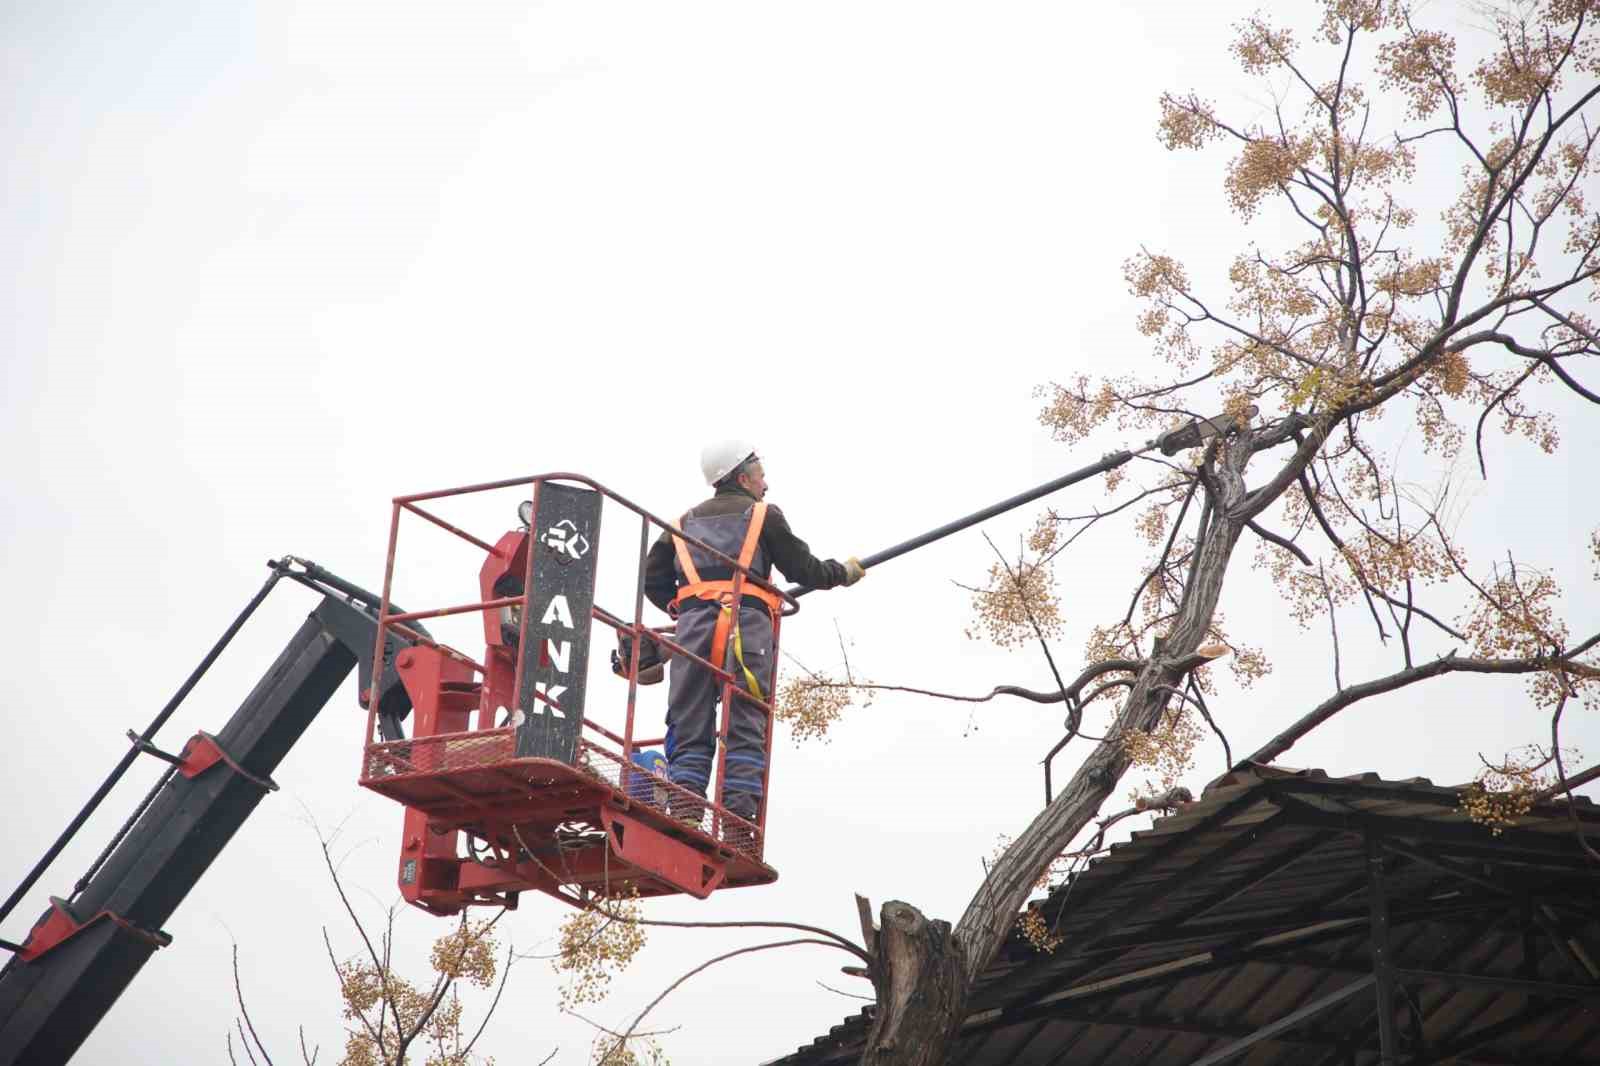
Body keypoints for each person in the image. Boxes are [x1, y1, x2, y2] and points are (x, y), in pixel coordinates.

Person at [643, 441, 864, 827]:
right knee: (744, 720)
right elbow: (804, 569)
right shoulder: (764, 516)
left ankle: (686, 810)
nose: (766, 483)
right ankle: (736, 822)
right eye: (761, 475)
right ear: (743, 477)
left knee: (688, 716)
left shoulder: (679, 525)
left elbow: (653, 580)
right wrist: (842, 574)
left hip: (693, 632)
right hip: (746, 633)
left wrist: (688, 608)